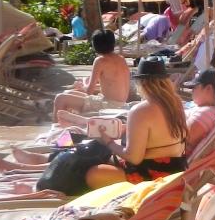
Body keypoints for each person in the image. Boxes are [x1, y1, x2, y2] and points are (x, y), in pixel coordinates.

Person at [38, 58, 189, 195]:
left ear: (142, 83)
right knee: (95, 154)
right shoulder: (175, 104)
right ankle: (40, 161)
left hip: (152, 176)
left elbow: (134, 158)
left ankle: (43, 165)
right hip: (174, 169)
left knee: (92, 172)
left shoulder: (141, 110)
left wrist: (108, 142)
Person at [52, 30, 131, 124]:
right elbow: (113, 85)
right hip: (119, 103)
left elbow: (89, 91)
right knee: (68, 93)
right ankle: (67, 125)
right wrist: (85, 86)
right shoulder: (121, 59)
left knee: (60, 99)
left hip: (109, 105)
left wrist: (82, 86)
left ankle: (56, 129)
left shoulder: (100, 61)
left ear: (95, 45)